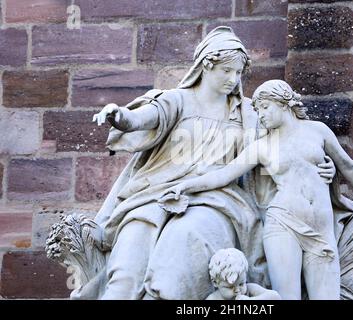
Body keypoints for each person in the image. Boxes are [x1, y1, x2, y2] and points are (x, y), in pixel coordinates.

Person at [89, 27, 336, 300]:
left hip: (216, 202)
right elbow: (141, 119)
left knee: (183, 246)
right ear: (206, 65)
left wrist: (322, 167)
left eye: (238, 73)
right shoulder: (177, 100)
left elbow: (288, 148)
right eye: (227, 71)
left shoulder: (249, 113)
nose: (234, 79)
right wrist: (118, 115)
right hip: (153, 196)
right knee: (126, 268)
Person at [162, 80, 353, 300]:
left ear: (283, 102)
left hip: (321, 228)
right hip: (283, 225)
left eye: (265, 108)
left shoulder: (318, 131)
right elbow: (223, 175)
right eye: (258, 111)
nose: (261, 116)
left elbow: (347, 166)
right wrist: (184, 186)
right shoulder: (263, 146)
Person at [206, 248, 281, 300]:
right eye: (230, 287)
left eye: (241, 284)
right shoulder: (214, 298)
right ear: (215, 282)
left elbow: (276, 297)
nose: (238, 290)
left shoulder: (250, 289)